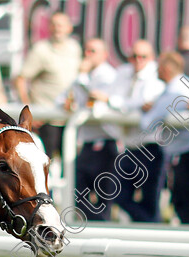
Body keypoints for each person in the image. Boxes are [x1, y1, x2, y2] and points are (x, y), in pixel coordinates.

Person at [142, 52, 189, 225]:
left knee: (188, 202)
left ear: (166, 69)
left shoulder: (174, 92)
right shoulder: (184, 84)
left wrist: (147, 110)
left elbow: (147, 124)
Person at [105, 40, 166, 222]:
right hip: (130, 147)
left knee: (150, 200)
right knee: (119, 194)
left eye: (143, 56)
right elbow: (132, 103)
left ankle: (152, 229)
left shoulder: (156, 76)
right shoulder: (124, 73)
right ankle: (150, 226)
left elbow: (144, 102)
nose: (138, 60)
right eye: (134, 56)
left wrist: (115, 102)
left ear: (152, 58)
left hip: (151, 147)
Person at [61, 38, 118, 221]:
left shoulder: (108, 76)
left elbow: (93, 101)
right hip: (86, 143)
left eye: (93, 51)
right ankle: (96, 224)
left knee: (105, 195)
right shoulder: (81, 75)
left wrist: (82, 77)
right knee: (77, 190)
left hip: (106, 142)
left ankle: (101, 225)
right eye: (86, 50)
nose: (87, 55)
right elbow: (63, 99)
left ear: (104, 55)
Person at [13, 11, 81, 158]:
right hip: (47, 117)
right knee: (45, 162)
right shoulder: (41, 50)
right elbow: (20, 79)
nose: (57, 29)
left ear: (69, 28)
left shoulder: (75, 48)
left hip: (69, 117)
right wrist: (29, 111)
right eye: (54, 25)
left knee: (70, 165)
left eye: (61, 25)